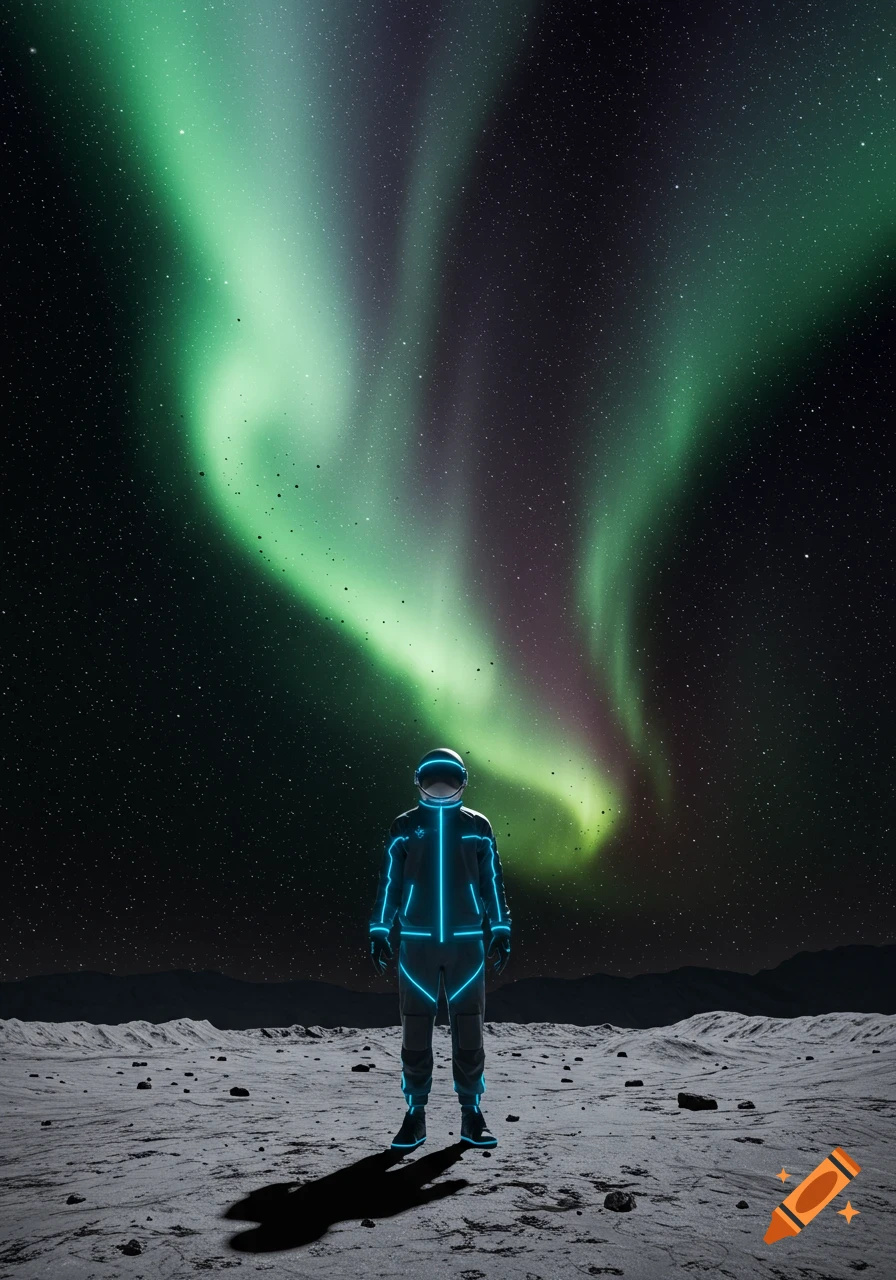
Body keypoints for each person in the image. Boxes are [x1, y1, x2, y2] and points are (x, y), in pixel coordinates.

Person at [369, 748, 511, 1150]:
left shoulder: (477, 827)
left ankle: (472, 1113)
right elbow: (390, 882)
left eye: (447, 778)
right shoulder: (405, 826)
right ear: (419, 780)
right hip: (417, 943)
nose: (441, 785)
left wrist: (500, 927)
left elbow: (492, 881)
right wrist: (380, 928)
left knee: (469, 1029)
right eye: (434, 778)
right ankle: (415, 1115)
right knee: (416, 1029)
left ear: (462, 780)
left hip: (467, 943)